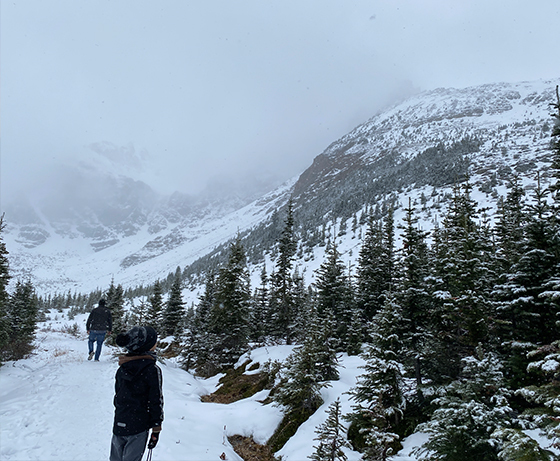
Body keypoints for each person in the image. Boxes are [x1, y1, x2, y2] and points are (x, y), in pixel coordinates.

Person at [111, 326, 163, 461]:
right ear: (148, 346)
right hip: (138, 427)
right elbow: (155, 400)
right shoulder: (152, 370)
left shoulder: (122, 368)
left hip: (119, 423)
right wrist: (156, 426)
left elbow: (118, 395)